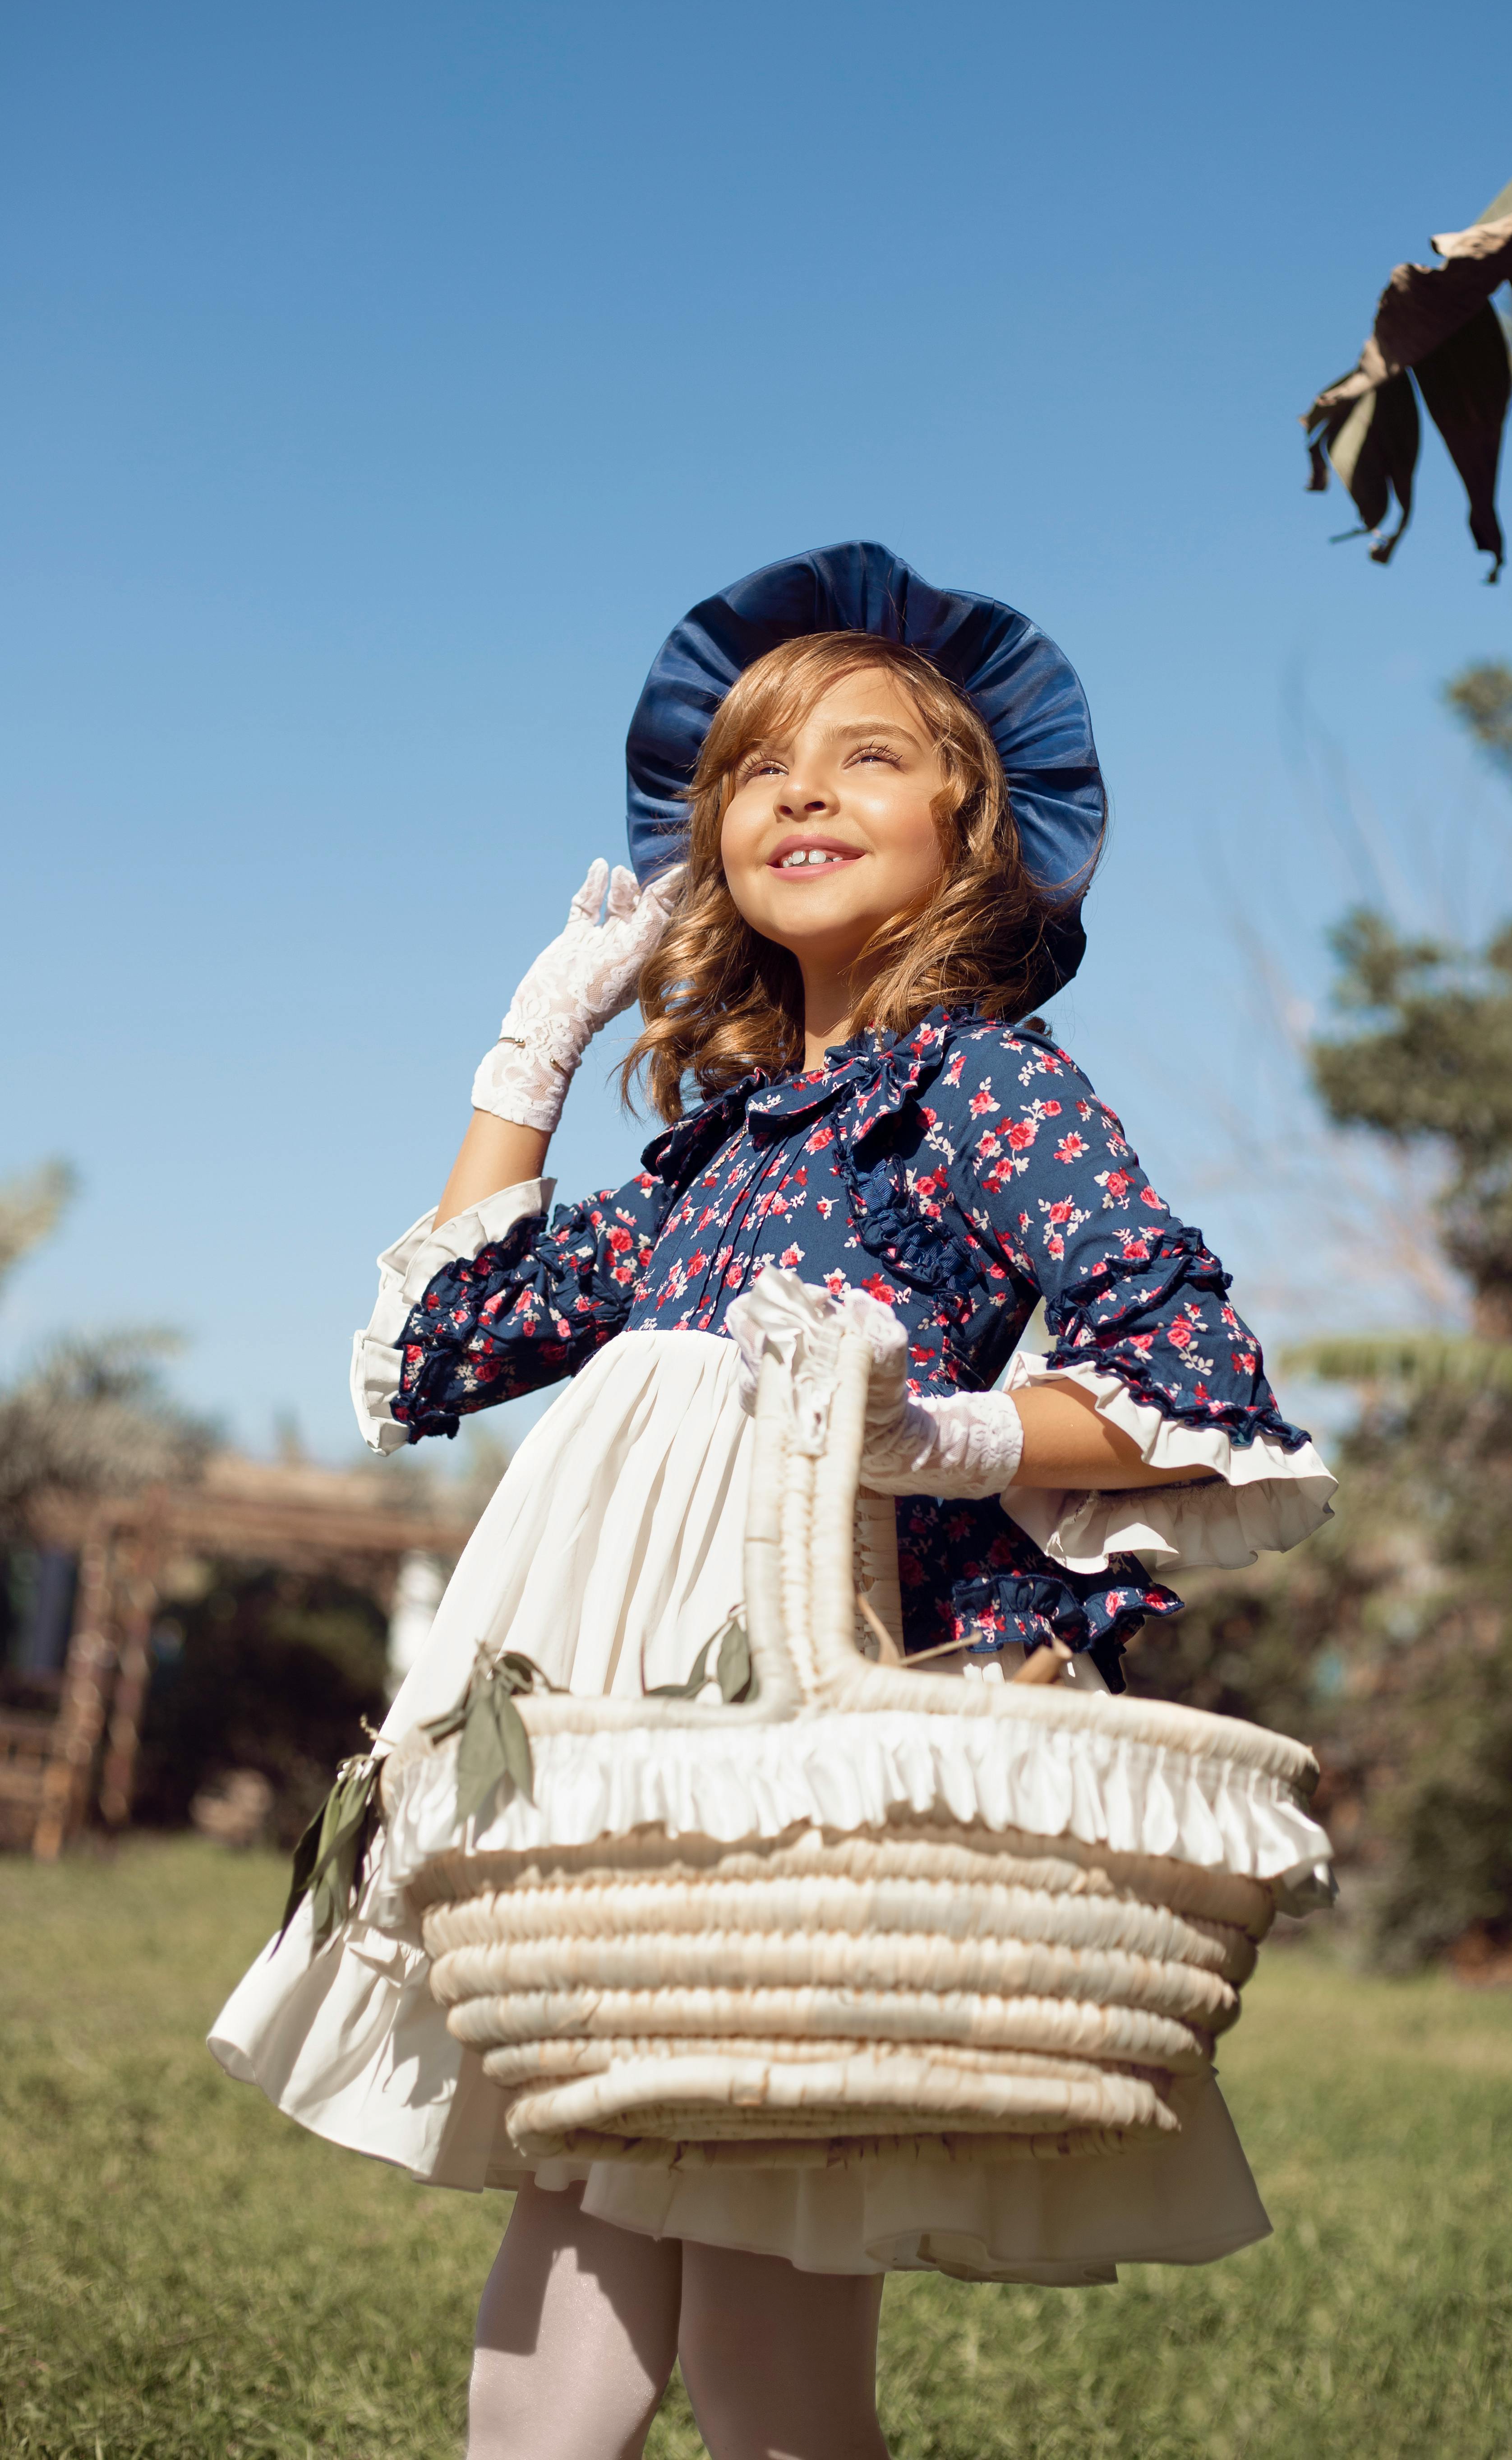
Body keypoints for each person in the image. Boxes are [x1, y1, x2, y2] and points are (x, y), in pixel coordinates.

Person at [211, 544, 1336, 2460]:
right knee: (578, 2197)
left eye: (868, 759)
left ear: (975, 834)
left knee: (757, 2270)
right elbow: (436, 1353)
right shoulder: (705, 1158)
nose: (798, 794)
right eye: (754, 768)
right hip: (617, 1722)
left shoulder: (982, 1088)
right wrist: (535, 1045)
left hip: (799, 1710)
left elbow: (1194, 1382)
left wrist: (952, 1440)